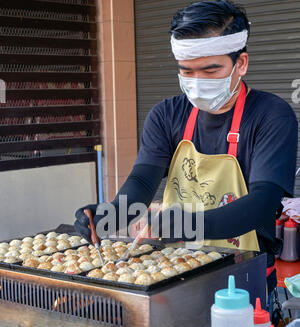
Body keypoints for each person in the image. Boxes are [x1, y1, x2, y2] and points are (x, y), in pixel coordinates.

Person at [75, 0, 298, 294]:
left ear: (241, 63)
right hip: (173, 277)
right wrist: (111, 214)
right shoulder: (166, 115)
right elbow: (142, 180)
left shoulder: (270, 115)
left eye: (210, 70)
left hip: (244, 279)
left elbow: (263, 204)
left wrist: (185, 224)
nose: (197, 83)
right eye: (187, 71)